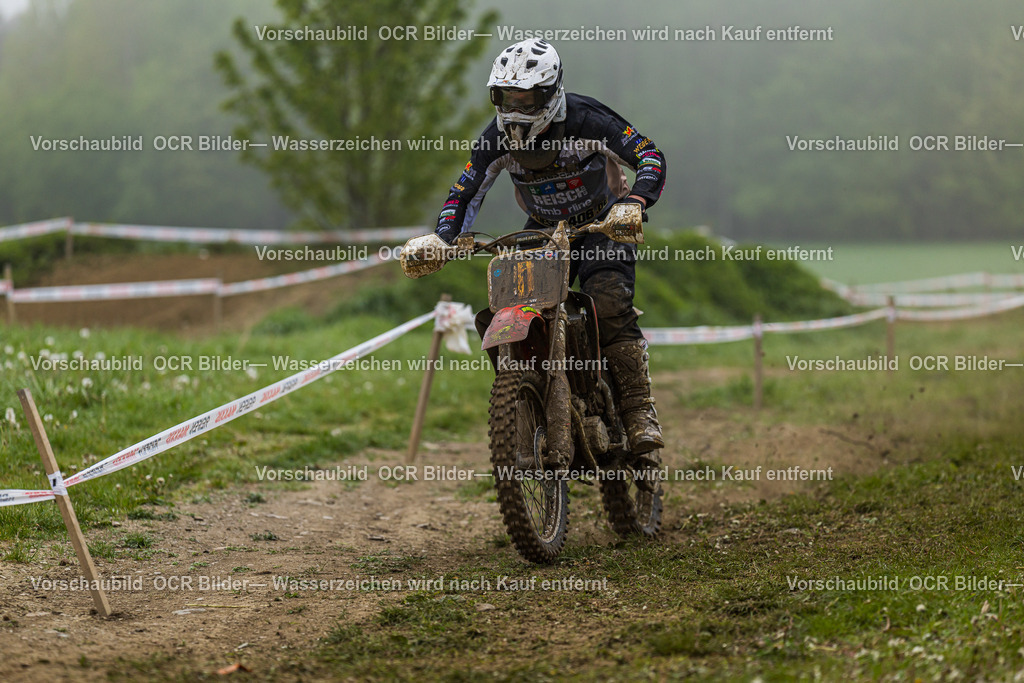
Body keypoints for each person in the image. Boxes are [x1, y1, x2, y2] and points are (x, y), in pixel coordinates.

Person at [434, 39, 666, 456]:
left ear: (550, 92)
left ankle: (637, 410)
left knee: (608, 303)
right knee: (514, 304)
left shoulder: (587, 119)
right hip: (542, 229)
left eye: (525, 98)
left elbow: (648, 155)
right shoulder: (495, 139)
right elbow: (464, 194)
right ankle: (532, 389)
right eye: (506, 97)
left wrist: (634, 202)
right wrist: (441, 239)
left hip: (602, 222)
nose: (515, 108)